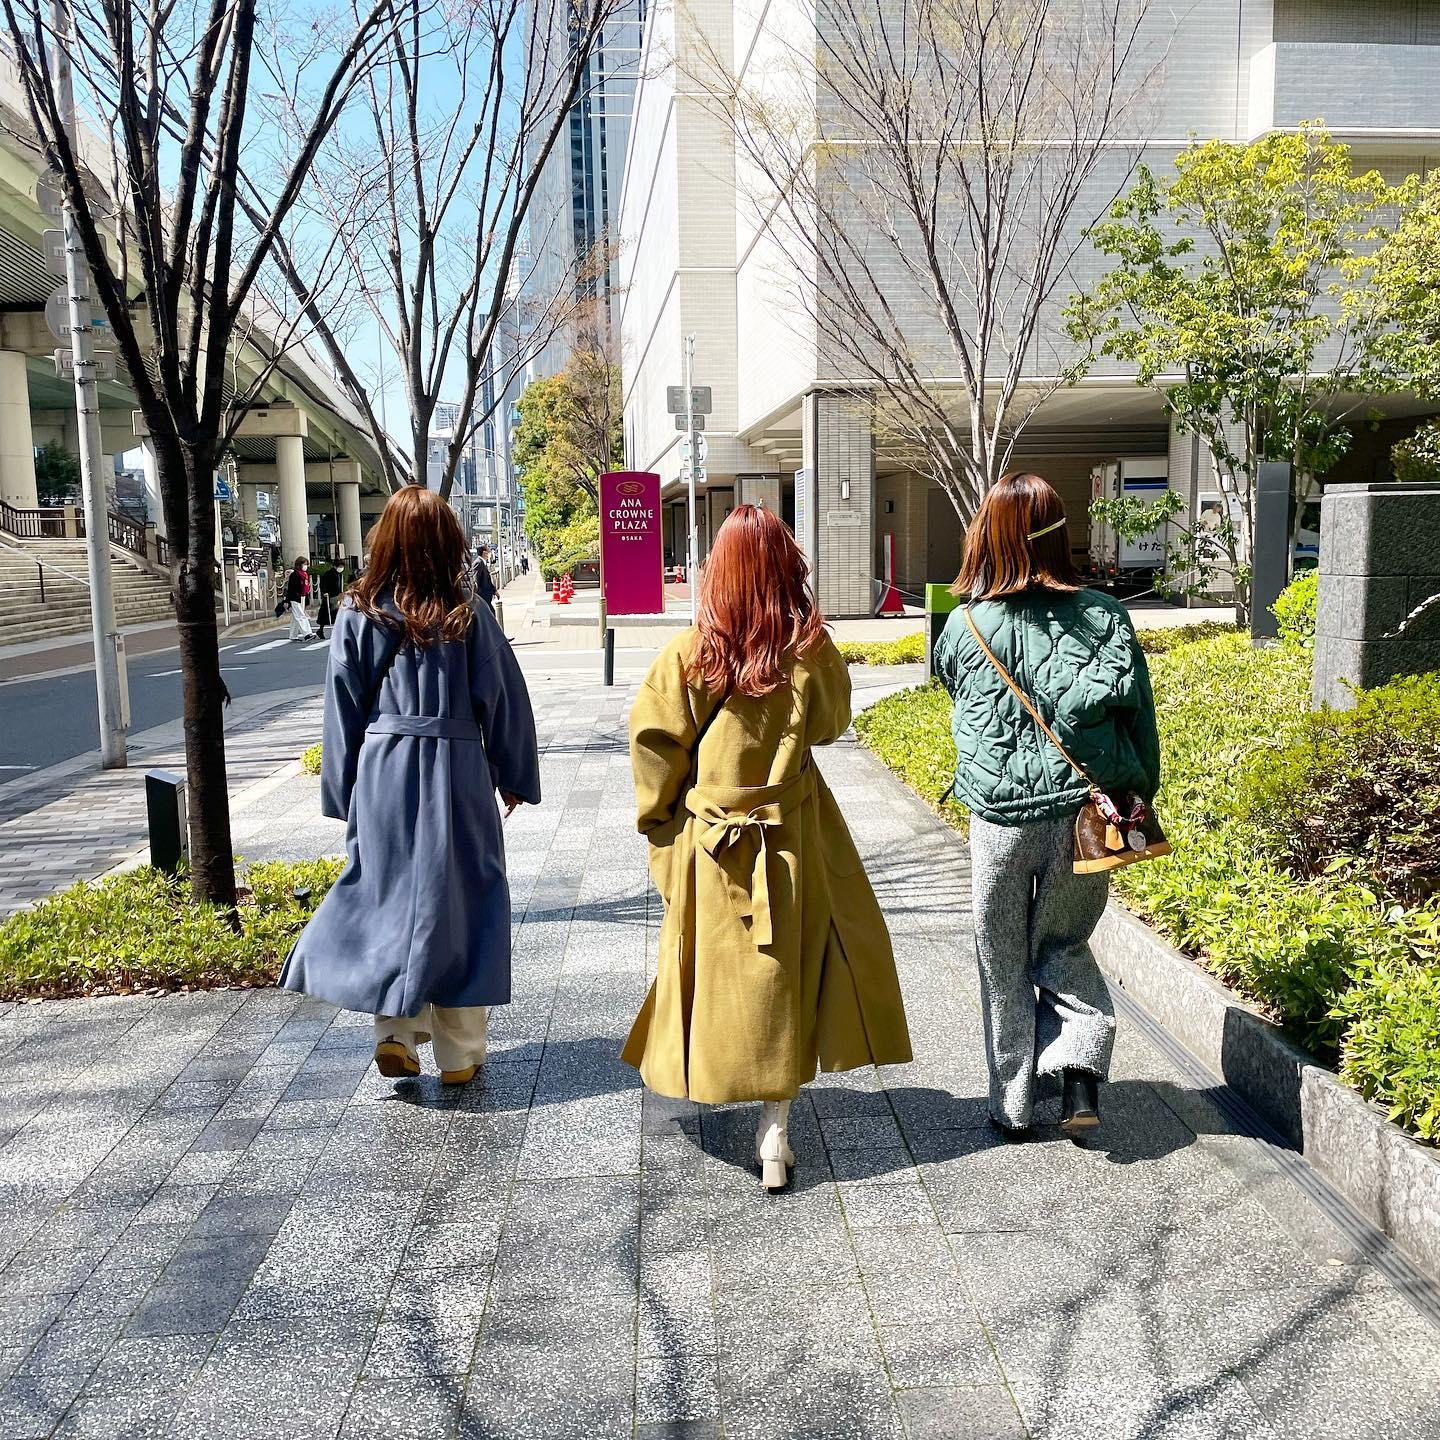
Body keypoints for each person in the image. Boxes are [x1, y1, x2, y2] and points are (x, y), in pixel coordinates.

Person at [621, 504, 912, 1190]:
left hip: (711, 841)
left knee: (717, 972)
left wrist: (662, 828)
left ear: (717, 571)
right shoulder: (809, 652)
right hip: (793, 834)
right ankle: (775, 1129)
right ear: (787, 569)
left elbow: (653, 748)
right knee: (785, 971)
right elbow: (832, 724)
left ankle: (718, 1073)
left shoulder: (689, 654)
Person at [280, 485, 541, 1084]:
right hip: (457, 769)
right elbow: (503, 697)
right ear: (448, 542)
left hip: (384, 770)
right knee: (467, 897)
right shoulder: (467, 613)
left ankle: (394, 1032)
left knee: (386, 894)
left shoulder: (358, 613)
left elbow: (342, 708)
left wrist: (344, 791)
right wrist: (513, 773)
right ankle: (460, 1054)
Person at [933, 472, 1161, 1139]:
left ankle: (1011, 1102)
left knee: (1000, 953)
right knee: (1063, 941)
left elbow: (959, 698)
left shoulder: (964, 625)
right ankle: (1079, 1078)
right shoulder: (1107, 616)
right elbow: (1139, 723)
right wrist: (1139, 795)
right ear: (1061, 536)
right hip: (1085, 817)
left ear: (989, 539)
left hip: (999, 819)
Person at [285, 557, 313, 641]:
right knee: (301, 615)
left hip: (302, 596)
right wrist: (287, 601)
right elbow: (291, 589)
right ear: (299, 564)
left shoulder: (304, 574)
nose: (306, 566)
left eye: (306, 564)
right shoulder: (295, 575)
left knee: (296, 617)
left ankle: (293, 635)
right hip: (295, 597)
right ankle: (307, 633)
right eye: (304, 564)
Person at [315, 560, 344, 639]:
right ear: (335, 566)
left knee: (334, 614)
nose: (341, 568)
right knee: (330, 614)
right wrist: (324, 592)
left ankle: (323, 630)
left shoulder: (338, 574)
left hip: (336, 596)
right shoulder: (329, 574)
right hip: (330, 596)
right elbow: (323, 584)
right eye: (340, 566)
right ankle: (321, 630)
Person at [472, 544, 497, 610]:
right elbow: (476, 580)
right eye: (488, 551)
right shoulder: (478, 563)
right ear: (484, 553)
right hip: (483, 596)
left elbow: (488, 580)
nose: (489, 553)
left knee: (491, 612)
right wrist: (477, 596)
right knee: (490, 613)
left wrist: (494, 591)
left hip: (486, 596)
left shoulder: (483, 562)